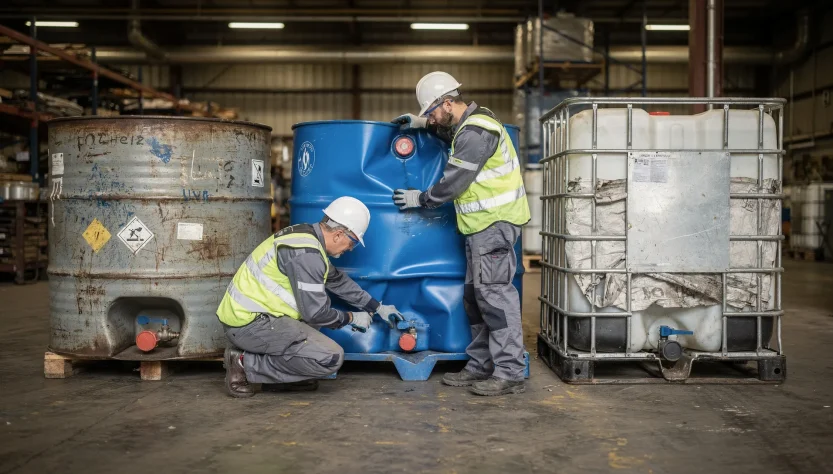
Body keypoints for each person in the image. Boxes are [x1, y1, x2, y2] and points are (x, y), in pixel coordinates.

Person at [391, 71, 530, 396]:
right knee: (475, 298)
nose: (431, 117)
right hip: (479, 228)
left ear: (448, 102)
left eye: (431, 112)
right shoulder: (473, 124)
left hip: (495, 225)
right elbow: (453, 134)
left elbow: (454, 182)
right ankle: (481, 364)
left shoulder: (476, 131)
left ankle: (510, 372)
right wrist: (424, 125)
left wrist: (420, 199)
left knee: (495, 297)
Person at [216, 196, 404, 398]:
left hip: (257, 317)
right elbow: (316, 314)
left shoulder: (307, 237)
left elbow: (337, 281)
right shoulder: (307, 254)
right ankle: (244, 363)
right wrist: (351, 318)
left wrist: (376, 307)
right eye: (353, 243)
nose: (350, 248)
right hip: (248, 324)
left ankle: (284, 376)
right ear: (339, 234)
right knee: (329, 358)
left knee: (319, 310)